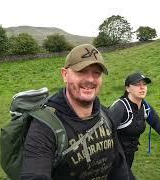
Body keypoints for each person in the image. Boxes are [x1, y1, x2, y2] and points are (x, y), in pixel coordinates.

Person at [20, 44, 132, 180]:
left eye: (96, 72)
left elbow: (119, 167)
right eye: (82, 71)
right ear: (65, 75)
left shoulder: (106, 116)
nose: (90, 79)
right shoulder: (44, 127)